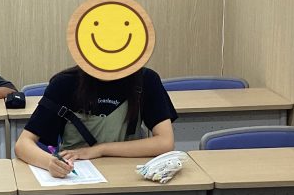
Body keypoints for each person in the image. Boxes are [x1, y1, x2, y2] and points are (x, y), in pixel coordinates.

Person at [13, 65, 176, 177]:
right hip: (77, 177)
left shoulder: (145, 79)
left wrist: (100, 150)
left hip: (130, 176)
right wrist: (50, 163)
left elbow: (165, 142)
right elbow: (22, 145)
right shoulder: (65, 83)